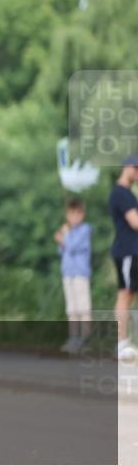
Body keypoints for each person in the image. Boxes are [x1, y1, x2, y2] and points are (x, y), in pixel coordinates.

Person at [109, 155, 138, 361]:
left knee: (129, 294)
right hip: (127, 251)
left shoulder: (128, 194)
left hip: (131, 250)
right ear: (127, 167)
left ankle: (124, 342)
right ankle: (121, 342)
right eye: (136, 168)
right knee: (125, 295)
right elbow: (135, 222)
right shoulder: (121, 193)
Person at [53, 199, 92, 354]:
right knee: (71, 308)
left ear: (82, 215)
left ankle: (86, 338)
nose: (74, 217)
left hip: (80, 273)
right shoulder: (67, 231)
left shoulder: (85, 230)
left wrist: (64, 236)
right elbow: (62, 251)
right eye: (71, 214)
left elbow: (73, 246)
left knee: (84, 307)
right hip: (67, 273)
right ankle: (73, 337)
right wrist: (63, 238)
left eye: (77, 213)